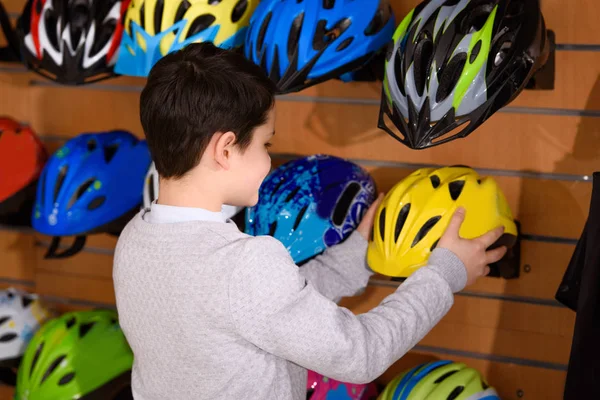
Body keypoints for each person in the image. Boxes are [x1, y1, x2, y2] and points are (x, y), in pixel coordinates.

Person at [113, 42, 507, 400]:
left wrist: (355, 256)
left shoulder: (136, 240)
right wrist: (444, 273)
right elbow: (360, 353)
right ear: (226, 149)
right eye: (266, 143)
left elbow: (255, 310)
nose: (270, 159)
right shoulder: (244, 264)